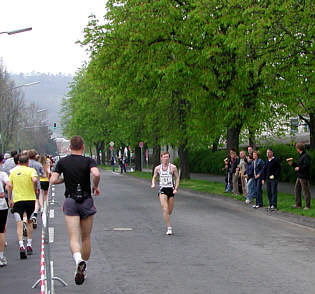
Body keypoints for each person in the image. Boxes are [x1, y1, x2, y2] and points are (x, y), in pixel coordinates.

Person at [50, 135, 100, 285]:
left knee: (73, 238)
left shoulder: (63, 162)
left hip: (71, 200)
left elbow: (52, 180)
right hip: (86, 200)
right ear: (83, 146)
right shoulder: (88, 161)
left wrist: (65, 179)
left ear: (70, 147)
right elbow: (96, 173)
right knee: (86, 237)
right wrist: (95, 186)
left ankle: (78, 259)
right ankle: (84, 266)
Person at [7, 154, 38, 259]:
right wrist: (35, 188)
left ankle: (21, 245)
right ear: (27, 162)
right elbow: (34, 180)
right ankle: (29, 244)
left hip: (18, 200)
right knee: (29, 221)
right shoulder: (31, 171)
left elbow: (9, 185)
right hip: (30, 199)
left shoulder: (12, 172)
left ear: (18, 162)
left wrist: (10, 198)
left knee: (19, 223)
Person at [151, 151, 180, 235]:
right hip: (162, 189)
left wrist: (176, 188)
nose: (165, 159)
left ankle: (167, 215)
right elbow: (154, 177)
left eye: (167, 157)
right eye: (164, 157)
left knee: (169, 211)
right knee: (165, 208)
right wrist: (153, 183)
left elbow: (177, 178)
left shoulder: (173, 168)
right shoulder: (157, 168)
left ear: (169, 158)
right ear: (161, 158)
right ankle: (169, 228)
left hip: (171, 189)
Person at [287, 143, 311, 210]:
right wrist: (292, 164)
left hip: (304, 176)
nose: (296, 149)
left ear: (298, 149)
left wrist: (299, 168)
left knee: (305, 191)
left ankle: (307, 206)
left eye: (296, 148)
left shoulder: (305, 156)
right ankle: (298, 205)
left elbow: (307, 165)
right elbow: (298, 164)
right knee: (296, 190)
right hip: (299, 176)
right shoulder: (301, 156)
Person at [28, 150, 44, 229]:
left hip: (27, 185)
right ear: (35, 156)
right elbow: (43, 174)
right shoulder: (38, 164)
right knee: (36, 200)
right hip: (36, 185)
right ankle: (34, 214)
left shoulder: (26, 164)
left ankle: (27, 217)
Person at [0, 154, 10, 266]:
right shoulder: (2, 174)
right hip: (1, 206)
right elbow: (9, 185)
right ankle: (1, 256)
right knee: (1, 231)